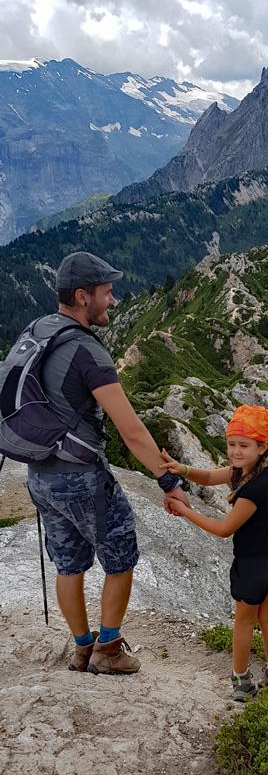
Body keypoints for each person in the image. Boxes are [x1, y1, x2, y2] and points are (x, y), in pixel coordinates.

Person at [25, 251, 190, 676]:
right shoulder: (87, 352)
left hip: (40, 473)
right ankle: (109, 649)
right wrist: (167, 479)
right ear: (83, 297)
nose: (113, 301)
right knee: (120, 556)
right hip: (81, 478)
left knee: (68, 563)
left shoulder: (38, 330)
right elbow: (131, 430)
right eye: (106, 293)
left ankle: (82, 647)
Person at [159, 404, 268, 701]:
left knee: (244, 621)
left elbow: (223, 529)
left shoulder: (251, 488)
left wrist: (184, 510)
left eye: (243, 445)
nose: (235, 451)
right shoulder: (255, 472)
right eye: (231, 444)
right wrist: (182, 469)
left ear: (262, 447)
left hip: (256, 565)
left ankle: (241, 681)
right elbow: (207, 478)